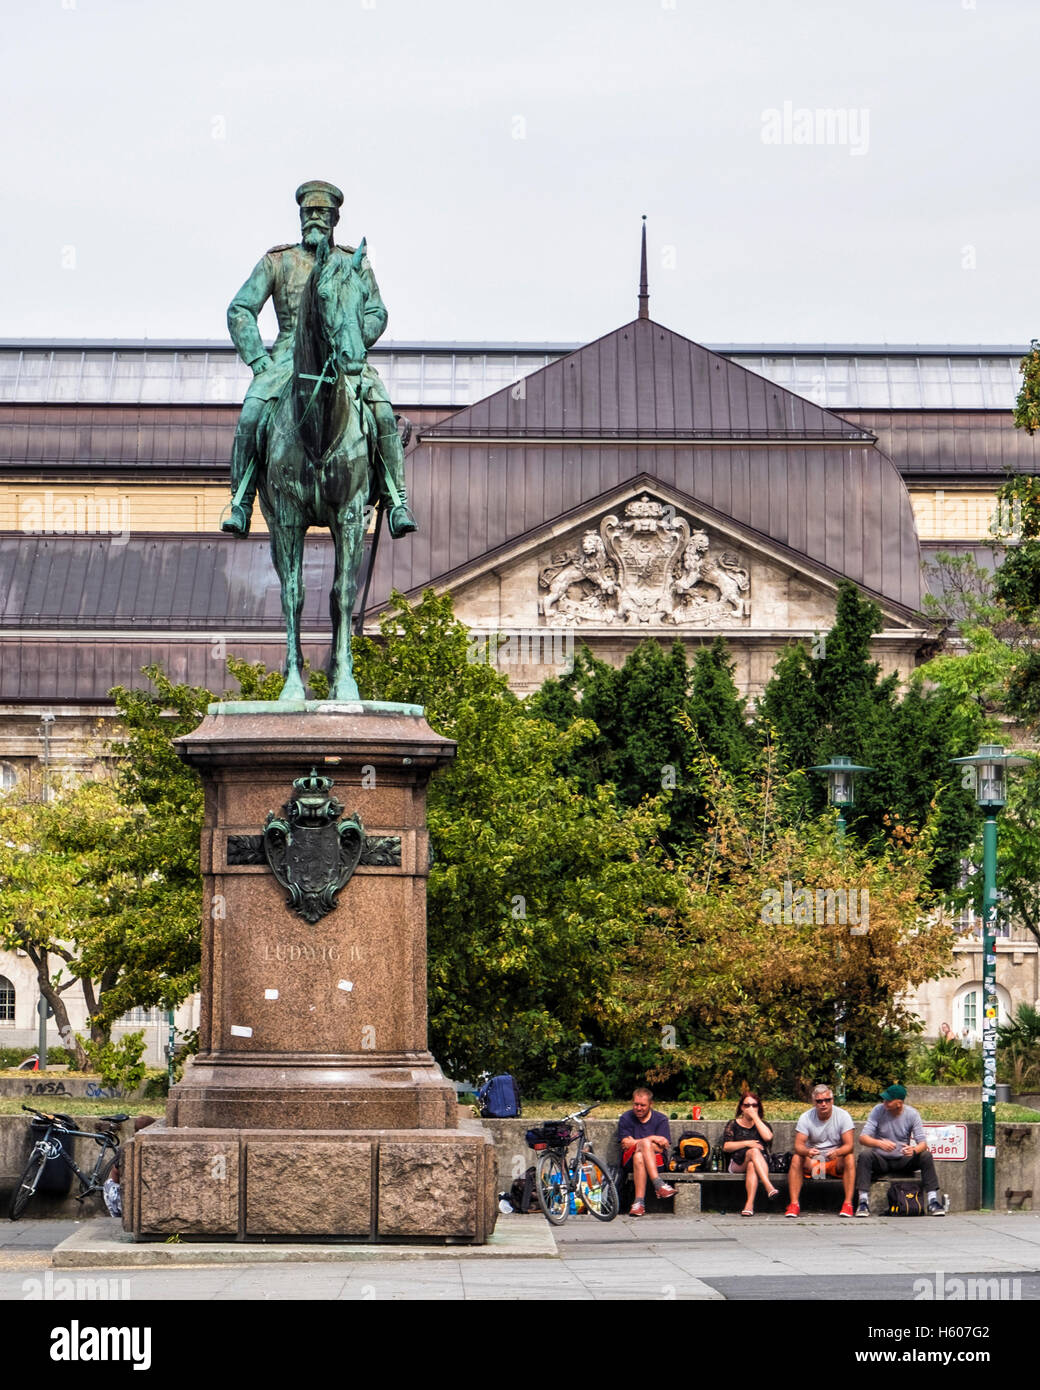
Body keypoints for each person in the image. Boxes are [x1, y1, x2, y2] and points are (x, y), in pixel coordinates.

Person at [222, 180, 417, 540]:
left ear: (335, 218)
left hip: (344, 357)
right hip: (285, 361)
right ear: (300, 216)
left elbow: (377, 311)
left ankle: (397, 498)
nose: (314, 218)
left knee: (383, 410)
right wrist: (257, 360)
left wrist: (354, 339)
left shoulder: (353, 262)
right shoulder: (278, 261)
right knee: (251, 412)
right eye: (308, 212)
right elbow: (241, 309)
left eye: (322, 213)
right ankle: (241, 500)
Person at [854, 1084, 945, 1217]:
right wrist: (879, 1143)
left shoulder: (912, 1114)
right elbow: (863, 1138)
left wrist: (913, 1150)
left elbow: (923, 1144)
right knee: (865, 1155)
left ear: (899, 1103)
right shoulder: (878, 1110)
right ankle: (862, 1202)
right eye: (884, 1099)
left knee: (925, 1156)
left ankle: (933, 1200)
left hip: (903, 1159)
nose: (884, 1102)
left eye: (888, 1100)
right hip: (882, 1160)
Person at [785, 1084, 856, 1218]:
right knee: (796, 1158)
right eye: (819, 1101)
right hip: (815, 1164)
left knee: (850, 1157)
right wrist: (807, 1152)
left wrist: (838, 1152)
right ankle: (794, 1204)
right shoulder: (806, 1117)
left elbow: (849, 1145)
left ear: (832, 1100)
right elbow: (798, 1145)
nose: (824, 1104)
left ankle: (848, 1204)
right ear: (814, 1102)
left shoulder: (843, 1116)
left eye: (827, 1100)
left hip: (836, 1161)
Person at [617, 1087, 677, 1216]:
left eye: (642, 1105)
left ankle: (638, 1203)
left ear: (651, 1104)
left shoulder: (661, 1119)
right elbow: (626, 1144)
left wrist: (639, 1143)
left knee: (639, 1155)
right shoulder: (626, 1118)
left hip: (658, 1161)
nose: (638, 1108)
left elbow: (660, 1148)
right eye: (636, 1104)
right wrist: (652, 1139)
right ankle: (659, 1184)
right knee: (642, 1148)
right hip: (629, 1162)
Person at [721, 1092, 780, 1215]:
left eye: (754, 1105)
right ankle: (768, 1186)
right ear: (741, 1107)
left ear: (759, 1107)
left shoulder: (763, 1124)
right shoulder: (733, 1124)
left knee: (752, 1165)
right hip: (738, 1163)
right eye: (747, 1105)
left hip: (761, 1164)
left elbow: (768, 1137)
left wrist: (756, 1118)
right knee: (753, 1151)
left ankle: (749, 1205)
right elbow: (726, 1147)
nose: (751, 1108)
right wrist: (747, 1143)